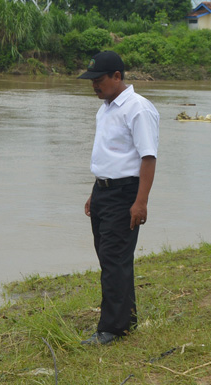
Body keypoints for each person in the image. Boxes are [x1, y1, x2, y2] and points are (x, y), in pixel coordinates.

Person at [78, 51, 159, 345]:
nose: (94, 86)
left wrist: (140, 202)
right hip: (103, 191)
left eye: (99, 80)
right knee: (111, 259)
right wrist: (94, 192)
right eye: (91, 81)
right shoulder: (106, 107)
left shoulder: (138, 109)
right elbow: (107, 155)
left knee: (115, 260)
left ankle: (111, 329)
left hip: (125, 193)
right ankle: (126, 319)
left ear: (117, 77)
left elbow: (148, 158)